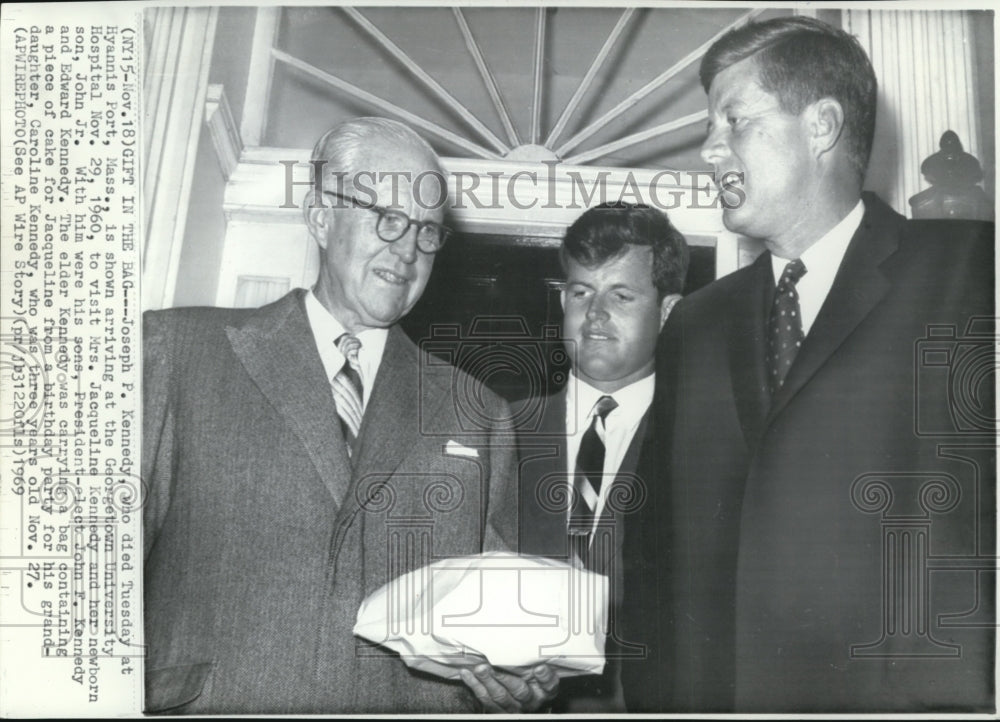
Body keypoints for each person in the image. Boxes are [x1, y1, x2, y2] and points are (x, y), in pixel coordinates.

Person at [622, 16, 995, 713]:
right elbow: (651, 556)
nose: (709, 150)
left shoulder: (970, 280)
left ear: (821, 125)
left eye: (734, 121)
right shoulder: (695, 327)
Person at [142, 117, 558, 714]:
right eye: (386, 217)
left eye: (427, 231)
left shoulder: (478, 410)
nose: (408, 249)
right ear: (319, 216)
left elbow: (502, 624)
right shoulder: (177, 352)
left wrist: (525, 671)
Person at [518, 201, 689, 712]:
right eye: (580, 292)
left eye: (621, 295)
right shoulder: (498, 427)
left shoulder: (701, 443)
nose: (594, 316)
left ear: (668, 311)